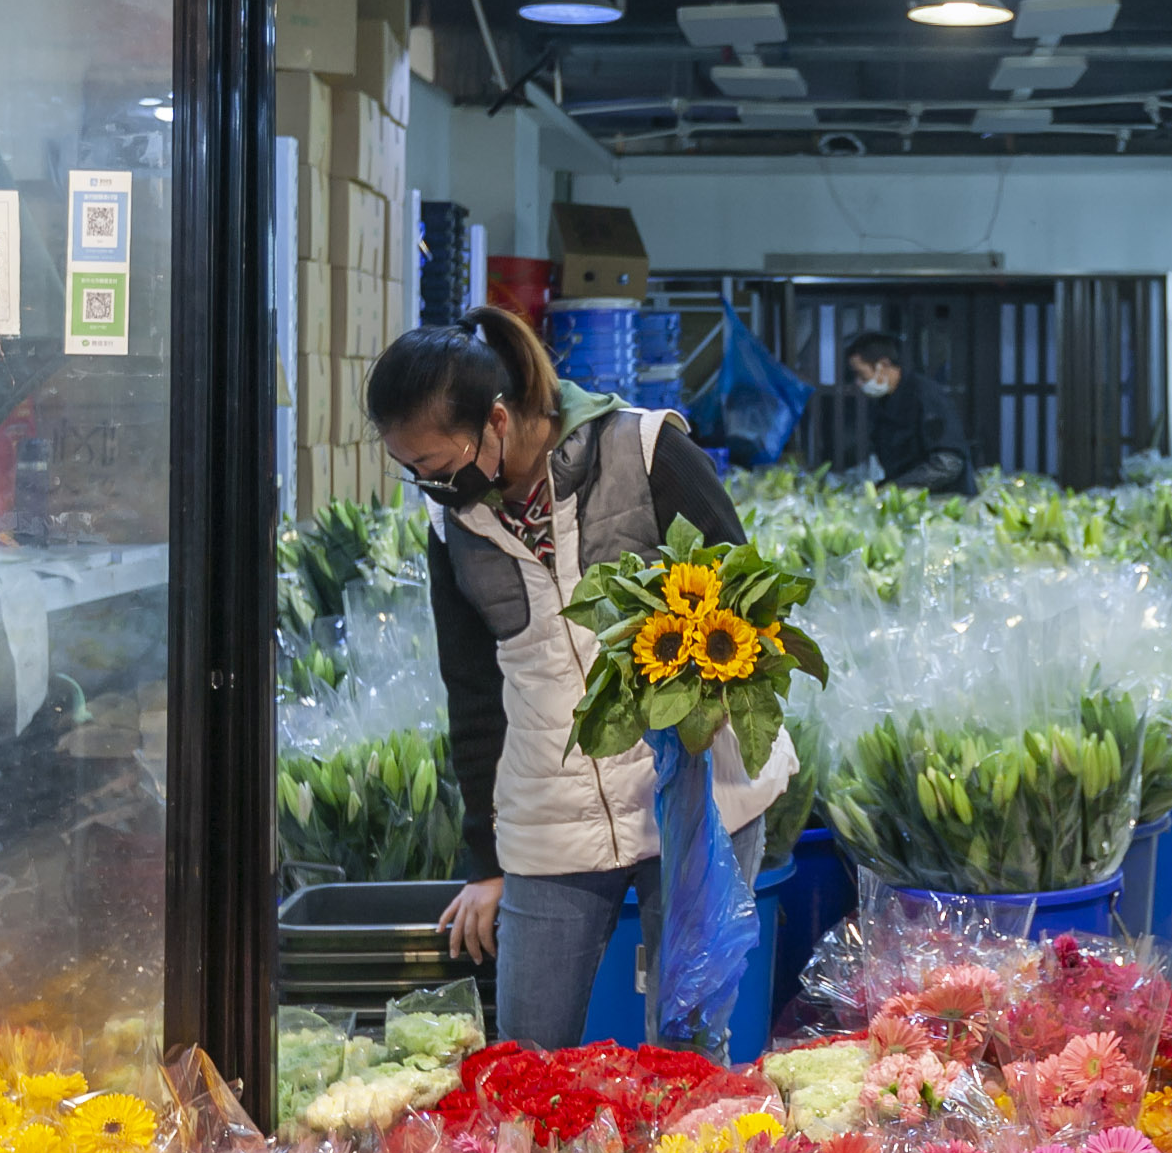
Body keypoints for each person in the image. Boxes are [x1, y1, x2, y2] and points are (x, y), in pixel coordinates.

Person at [366, 305, 796, 1050]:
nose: (430, 488)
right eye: (413, 474)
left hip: (693, 795)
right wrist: (486, 860)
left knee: (687, 1047)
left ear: (496, 420)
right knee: (529, 1057)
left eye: (436, 468)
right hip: (549, 808)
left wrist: (702, 704)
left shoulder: (644, 447)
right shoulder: (455, 524)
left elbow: (749, 601)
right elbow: (471, 696)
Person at [842, 330, 975, 495]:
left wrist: (895, 488)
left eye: (861, 374)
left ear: (882, 365)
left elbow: (948, 463)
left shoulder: (925, 395)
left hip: (944, 500)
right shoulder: (883, 402)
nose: (858, 383)